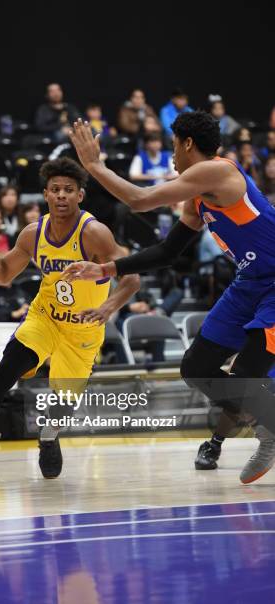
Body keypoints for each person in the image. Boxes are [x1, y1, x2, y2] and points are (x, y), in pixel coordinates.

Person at [66, 111, 275, 484]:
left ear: (187, 144)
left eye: (172, 145)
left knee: (246, 375)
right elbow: (167, 252)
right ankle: (267, 424)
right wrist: (107, 270)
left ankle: (266, 430)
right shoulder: (197, 196)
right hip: (249, 282)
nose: (170, 154)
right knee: (195, 368)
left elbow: (141, 199)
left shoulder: (218, 171)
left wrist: (95, 166)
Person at [0, 157, 140, 485]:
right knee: (7, 368)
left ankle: (48, 434)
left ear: (80, 196)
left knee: (63, 403)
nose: (61, 195)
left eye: (68, 190)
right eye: (55, 189)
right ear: (45, 194)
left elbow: (132, 279)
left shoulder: (95, 234)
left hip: (84, 328)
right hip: (45, 317)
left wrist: (109, 307)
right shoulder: (33, 233)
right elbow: (2, 273)